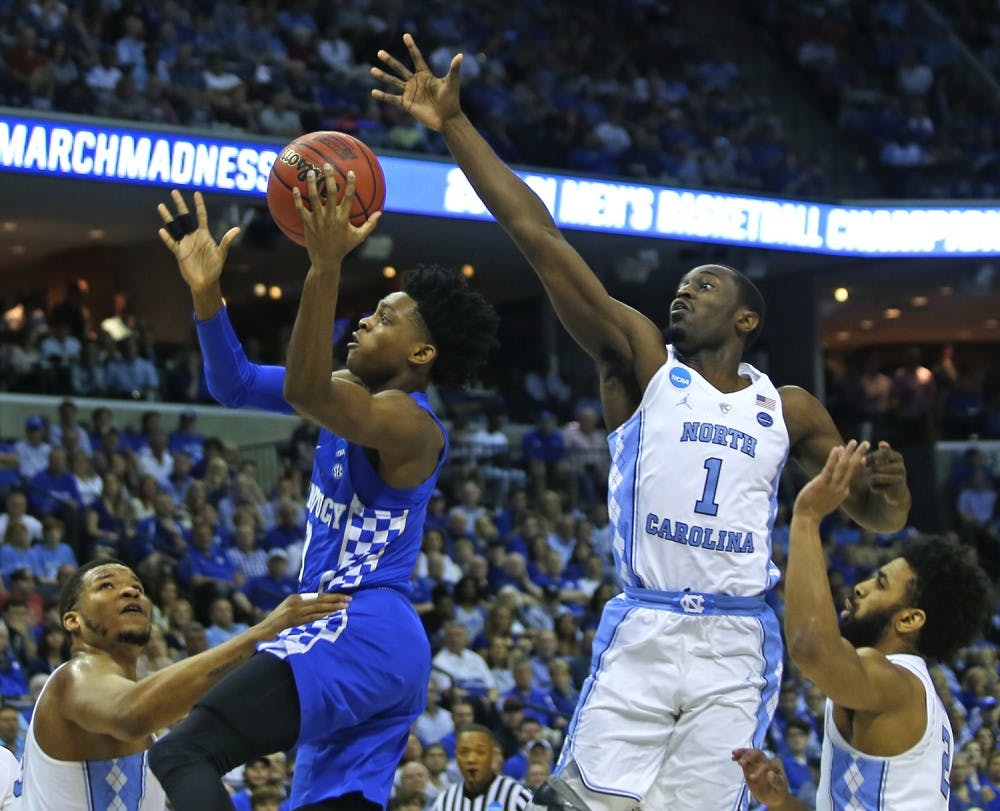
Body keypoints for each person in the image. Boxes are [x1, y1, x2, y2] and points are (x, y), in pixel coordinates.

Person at [372, 35, 912, 810]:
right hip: (647, 626)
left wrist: (890, 491)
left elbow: (880, 517)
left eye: (705, 285)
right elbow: (541, 238)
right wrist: (455, 126)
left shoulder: (788, 407)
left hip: (736, 640)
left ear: (748, 316)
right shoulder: (643, 363)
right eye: (681, 285)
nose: (683, 293)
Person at [148, 178, 498, 811]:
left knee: (181, 751)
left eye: (385, 317)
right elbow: (236, 386)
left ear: (422, 352)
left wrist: (327, 264)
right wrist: (207, 297)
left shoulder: (411, 424)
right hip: (361, 635)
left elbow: (307, 392)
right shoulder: (345, 395)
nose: (365, 319)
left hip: (355, 623)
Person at [733, 441, 992, 810]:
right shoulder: (904, 692)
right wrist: (783, 802)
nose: (860, 587)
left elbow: (810, 647)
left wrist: (806, 517)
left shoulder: (894, 681)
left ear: (909, 618)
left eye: (881, 584)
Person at [17, 559, 349, 810]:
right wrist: (259, 634)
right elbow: (131, 713)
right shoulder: (73, 677)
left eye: (137, 587)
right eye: (106, 586)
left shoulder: (151, 732)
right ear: (73, 621)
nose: (131, 590)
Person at [431, 725, 533, 811]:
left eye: (480, 752)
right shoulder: (445, 799)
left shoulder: (517, 795)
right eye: (464, 752)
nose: (471, 760)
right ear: (456, 757)